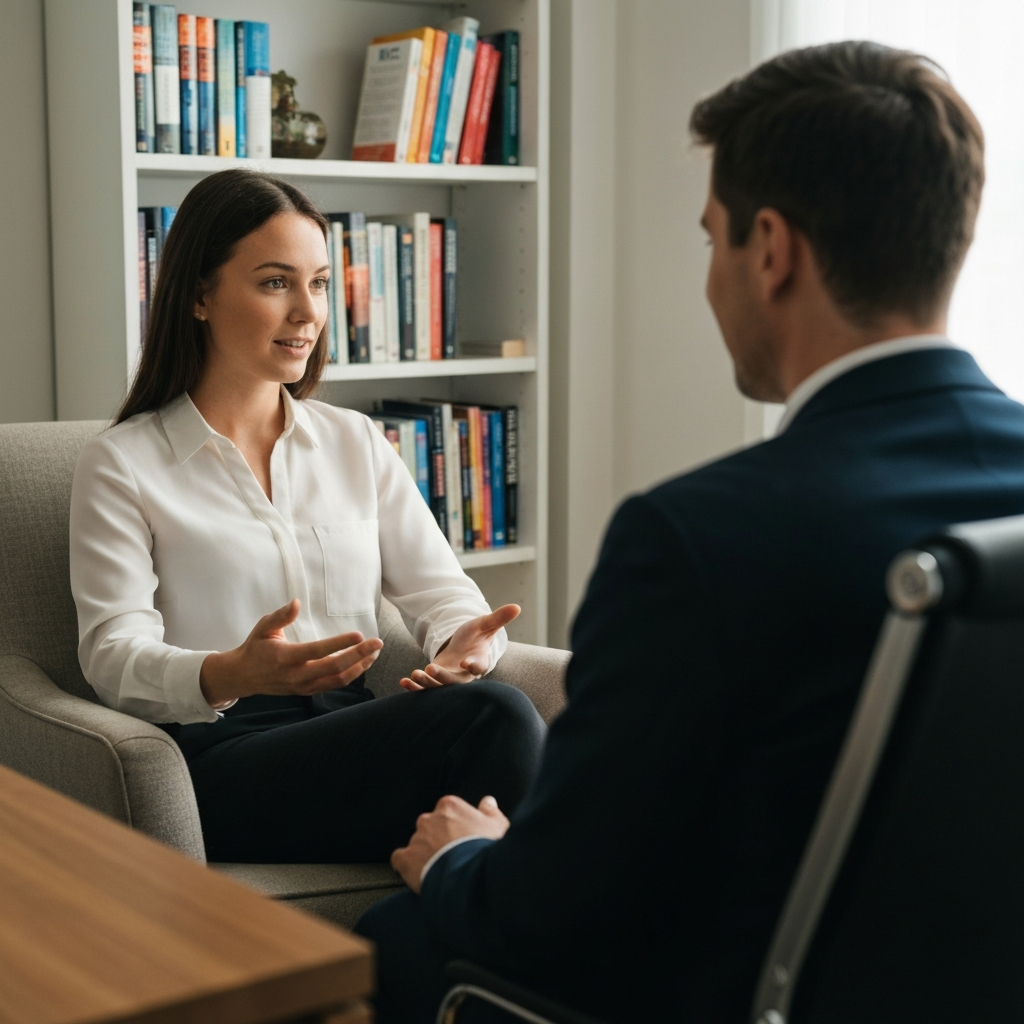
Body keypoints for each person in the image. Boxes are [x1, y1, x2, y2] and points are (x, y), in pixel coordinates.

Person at [355, 41, 1024, 1023]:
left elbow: (540, 917)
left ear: (772, 247)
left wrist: (461, 857)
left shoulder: (696, 537)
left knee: (380, 944)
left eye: (710, 240)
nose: (710, 277)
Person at [69, 169, 545, 865]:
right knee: (497, 719)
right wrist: (234, 672)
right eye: (274, 283)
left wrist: (464, 646)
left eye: (319, 283)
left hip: (349, 733)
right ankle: (507, 932)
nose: (308, 312)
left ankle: (429, 932)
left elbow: (444, 597)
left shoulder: (353, 441)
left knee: (552, 751)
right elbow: (110, 658)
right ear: (200, 295)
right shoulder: (123, 463)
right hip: (223, 761)